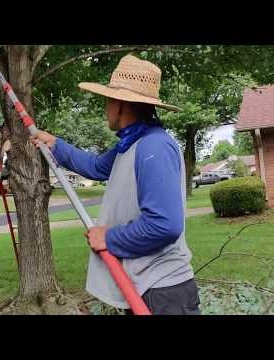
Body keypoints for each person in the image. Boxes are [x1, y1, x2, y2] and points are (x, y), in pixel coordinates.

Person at [30, 54, 200, 315]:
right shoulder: (131, 144)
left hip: (164, 295)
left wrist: (109, 237)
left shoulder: (154, 146)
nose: (105, 108)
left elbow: (165, 225)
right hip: (145, 289)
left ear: (119, 103)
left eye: (107, 101)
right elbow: (97, 167)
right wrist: (56, 145)